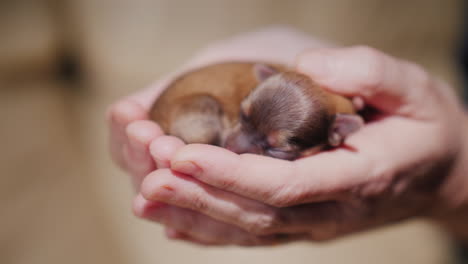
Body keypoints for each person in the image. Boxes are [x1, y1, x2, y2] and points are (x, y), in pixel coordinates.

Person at [107, 27, 468, 247]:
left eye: (272, 146)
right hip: (191, 111)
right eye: (244, 118)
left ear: (340, 132)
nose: (238, 145)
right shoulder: (273, 79)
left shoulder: (345, 117)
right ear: (262, 78)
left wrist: (454, 179)